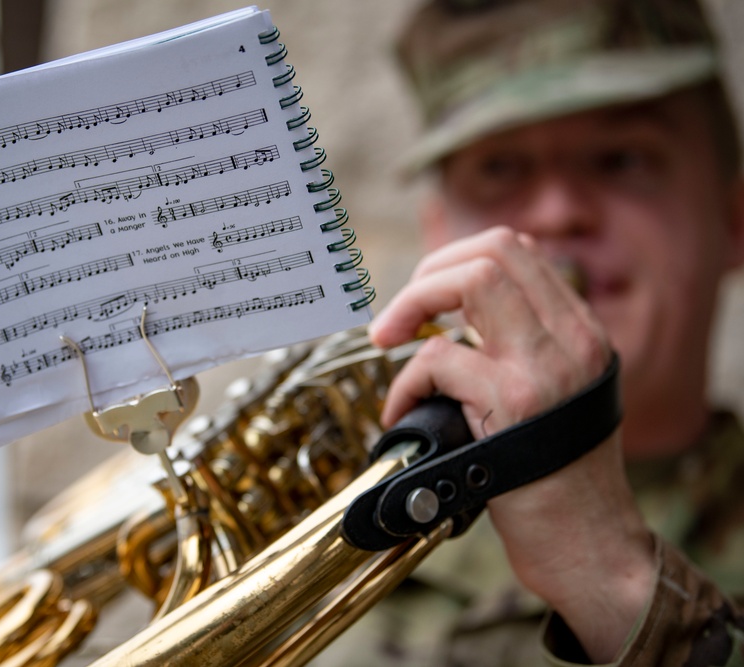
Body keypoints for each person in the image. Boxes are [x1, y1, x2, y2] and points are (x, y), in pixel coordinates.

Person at [317, 0, 744, 665]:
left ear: (734, 218)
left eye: (622, 158)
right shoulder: (332, 567)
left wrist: (613, 575)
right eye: (499, 169)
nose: (556, 211)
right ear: (440, 241)